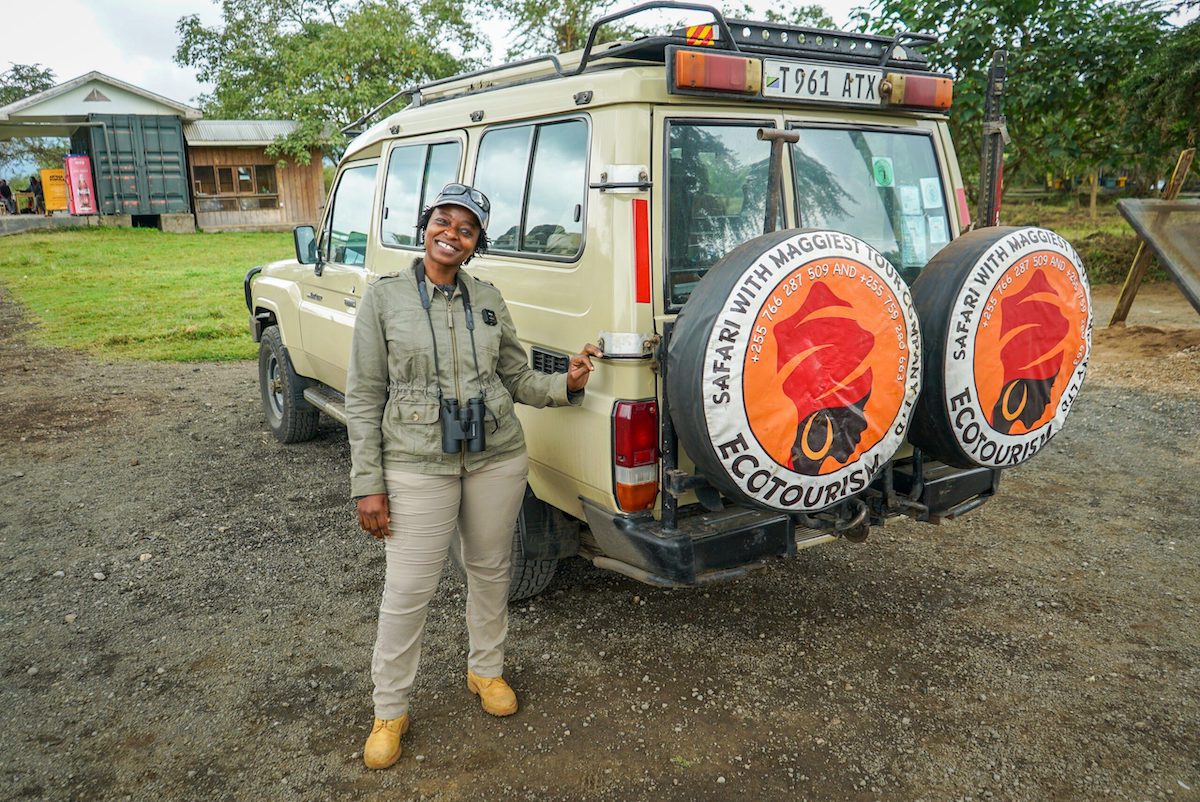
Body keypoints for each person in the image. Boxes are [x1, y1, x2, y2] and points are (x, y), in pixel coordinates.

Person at [345, 182, 602, 771]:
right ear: (425, 225)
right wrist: (368, 483)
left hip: (497, 458)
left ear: (476, 242)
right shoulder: (383, 298)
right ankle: (390, 709)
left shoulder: (487, 297)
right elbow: (363, 397)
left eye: (466, 228)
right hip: (415, 463)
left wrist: (568, 382)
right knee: (409, 589)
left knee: (491, 570)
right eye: (443, 221)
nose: (451, 234)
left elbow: (516, 376)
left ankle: (486, 671)